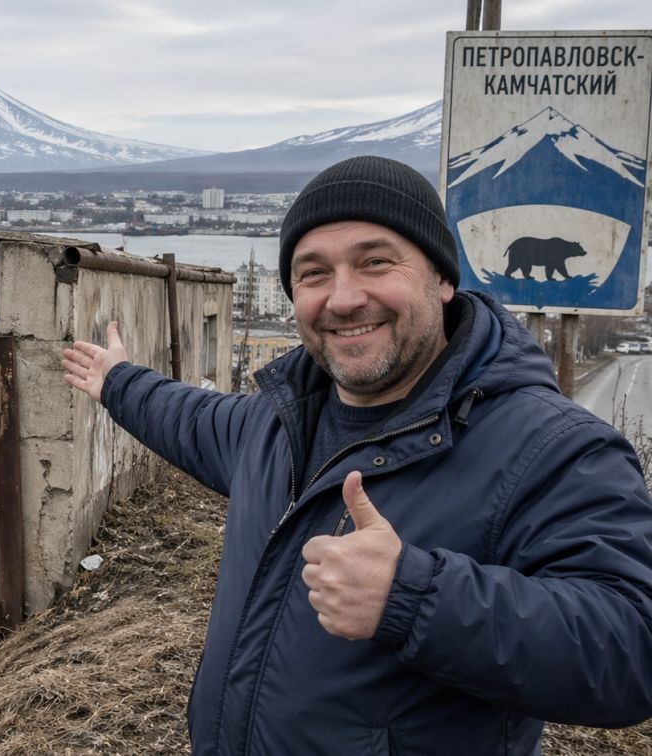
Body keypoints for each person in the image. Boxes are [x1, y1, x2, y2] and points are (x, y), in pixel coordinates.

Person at [62, 156, 652, 754]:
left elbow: (632, 646)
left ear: (443, 280)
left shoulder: (551, 448)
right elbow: (185, 416)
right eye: (313, 273)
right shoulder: (275, 423)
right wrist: (117, 381)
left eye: (375, 262)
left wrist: (414, 598)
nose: (343, 299)